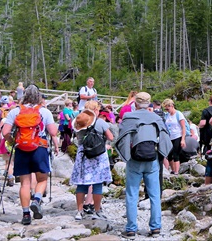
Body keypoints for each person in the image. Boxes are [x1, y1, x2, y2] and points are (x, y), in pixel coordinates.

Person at [116, 92, 172, 239]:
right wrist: (161, 154)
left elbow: (121, 138)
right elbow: (166, 137)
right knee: (154, 195)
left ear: (135, 103)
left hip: (134, 160)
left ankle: (131, 229)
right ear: (149, 104)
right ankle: (156, 228)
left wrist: (126, 156)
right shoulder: (156, 117)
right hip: (152, 159)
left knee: (132, 194)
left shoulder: (129, 117)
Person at [2, 85, 59, 225]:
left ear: (24, 95)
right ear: (39, 96)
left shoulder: (15, 111)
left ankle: (26, 214)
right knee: (42, 179)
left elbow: (5, 132)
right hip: (39, 148)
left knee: (24, 183)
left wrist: (13, 141)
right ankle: (37, 199)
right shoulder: (44, 112)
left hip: (21, 148)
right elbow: (53, 132)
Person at [71, 101, 114, 221]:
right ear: (95, 110)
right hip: (98, 155)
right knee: (97, 184)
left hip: (83, 155)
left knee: (81, 184)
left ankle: (79, 211)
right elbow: (111, 137)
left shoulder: (78, 121)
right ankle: (97, 210)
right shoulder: (100, 122)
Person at [162, 99, 187, 175]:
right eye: (165, 109)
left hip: (178, 136)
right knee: (169, 155)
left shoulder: (178, 114)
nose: (167, 110)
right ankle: (172, 170)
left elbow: (183, 127)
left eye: (167, 108)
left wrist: (183, 139)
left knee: (176, 154)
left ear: (171, 106)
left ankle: (177, 171)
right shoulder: (167, 115)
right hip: (170, 137)